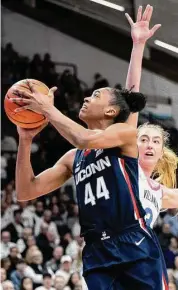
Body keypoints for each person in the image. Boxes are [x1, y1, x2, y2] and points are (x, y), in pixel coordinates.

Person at [13, 5, 163, 290]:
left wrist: (138, 45)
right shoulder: (74, 158)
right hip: (96, 251)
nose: (86, 97)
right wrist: (25, 140)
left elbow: (125, 100)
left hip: (134, 242)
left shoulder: (124, 135)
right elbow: (25, 191)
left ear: (110, 112)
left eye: (95, 95)